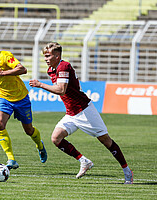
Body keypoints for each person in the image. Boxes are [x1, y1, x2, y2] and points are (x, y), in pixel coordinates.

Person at [29, 42, 133, 184]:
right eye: (44, 56)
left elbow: (61, 90)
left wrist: (40, 84)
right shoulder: (51, 69)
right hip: (71, 113)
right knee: (56, 138)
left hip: (84, 110)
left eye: (48, 56)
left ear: (57, 55)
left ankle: (127, 171)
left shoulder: (63, 66)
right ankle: (84, 161)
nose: (45, 59)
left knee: (106, 141)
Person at [0, 36, 47, 169]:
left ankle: (40, 145)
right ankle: (11, 159)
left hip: (21, 98)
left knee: (28, 130)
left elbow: (23, 69)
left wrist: (3, 73)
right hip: (3, 98)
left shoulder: (5, 56)